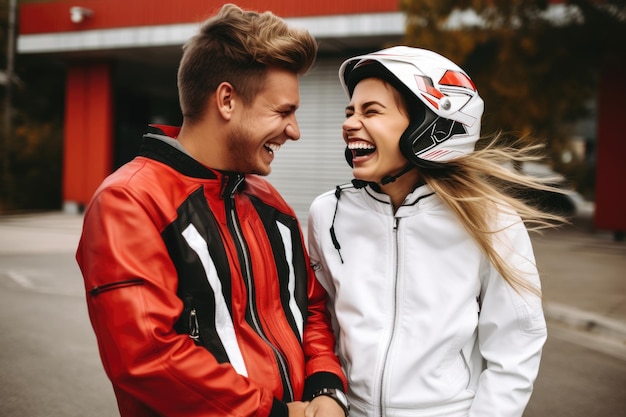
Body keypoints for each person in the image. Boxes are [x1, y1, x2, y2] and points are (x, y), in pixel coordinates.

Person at [76, 4, 348, 417]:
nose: (294, 131)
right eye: (283, 111)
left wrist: (325, 387)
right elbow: (148, 356)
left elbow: (310, 309)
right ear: (226, 100)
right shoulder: (129, 201)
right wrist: (276, 414)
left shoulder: (271, 204)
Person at [308, 46, 565, 417]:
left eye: (371, 111)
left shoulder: (490, 220)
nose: (349, 123)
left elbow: (516, 344)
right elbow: (319, 320)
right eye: (350, 111)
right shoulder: (327, 214)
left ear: (429, 124)